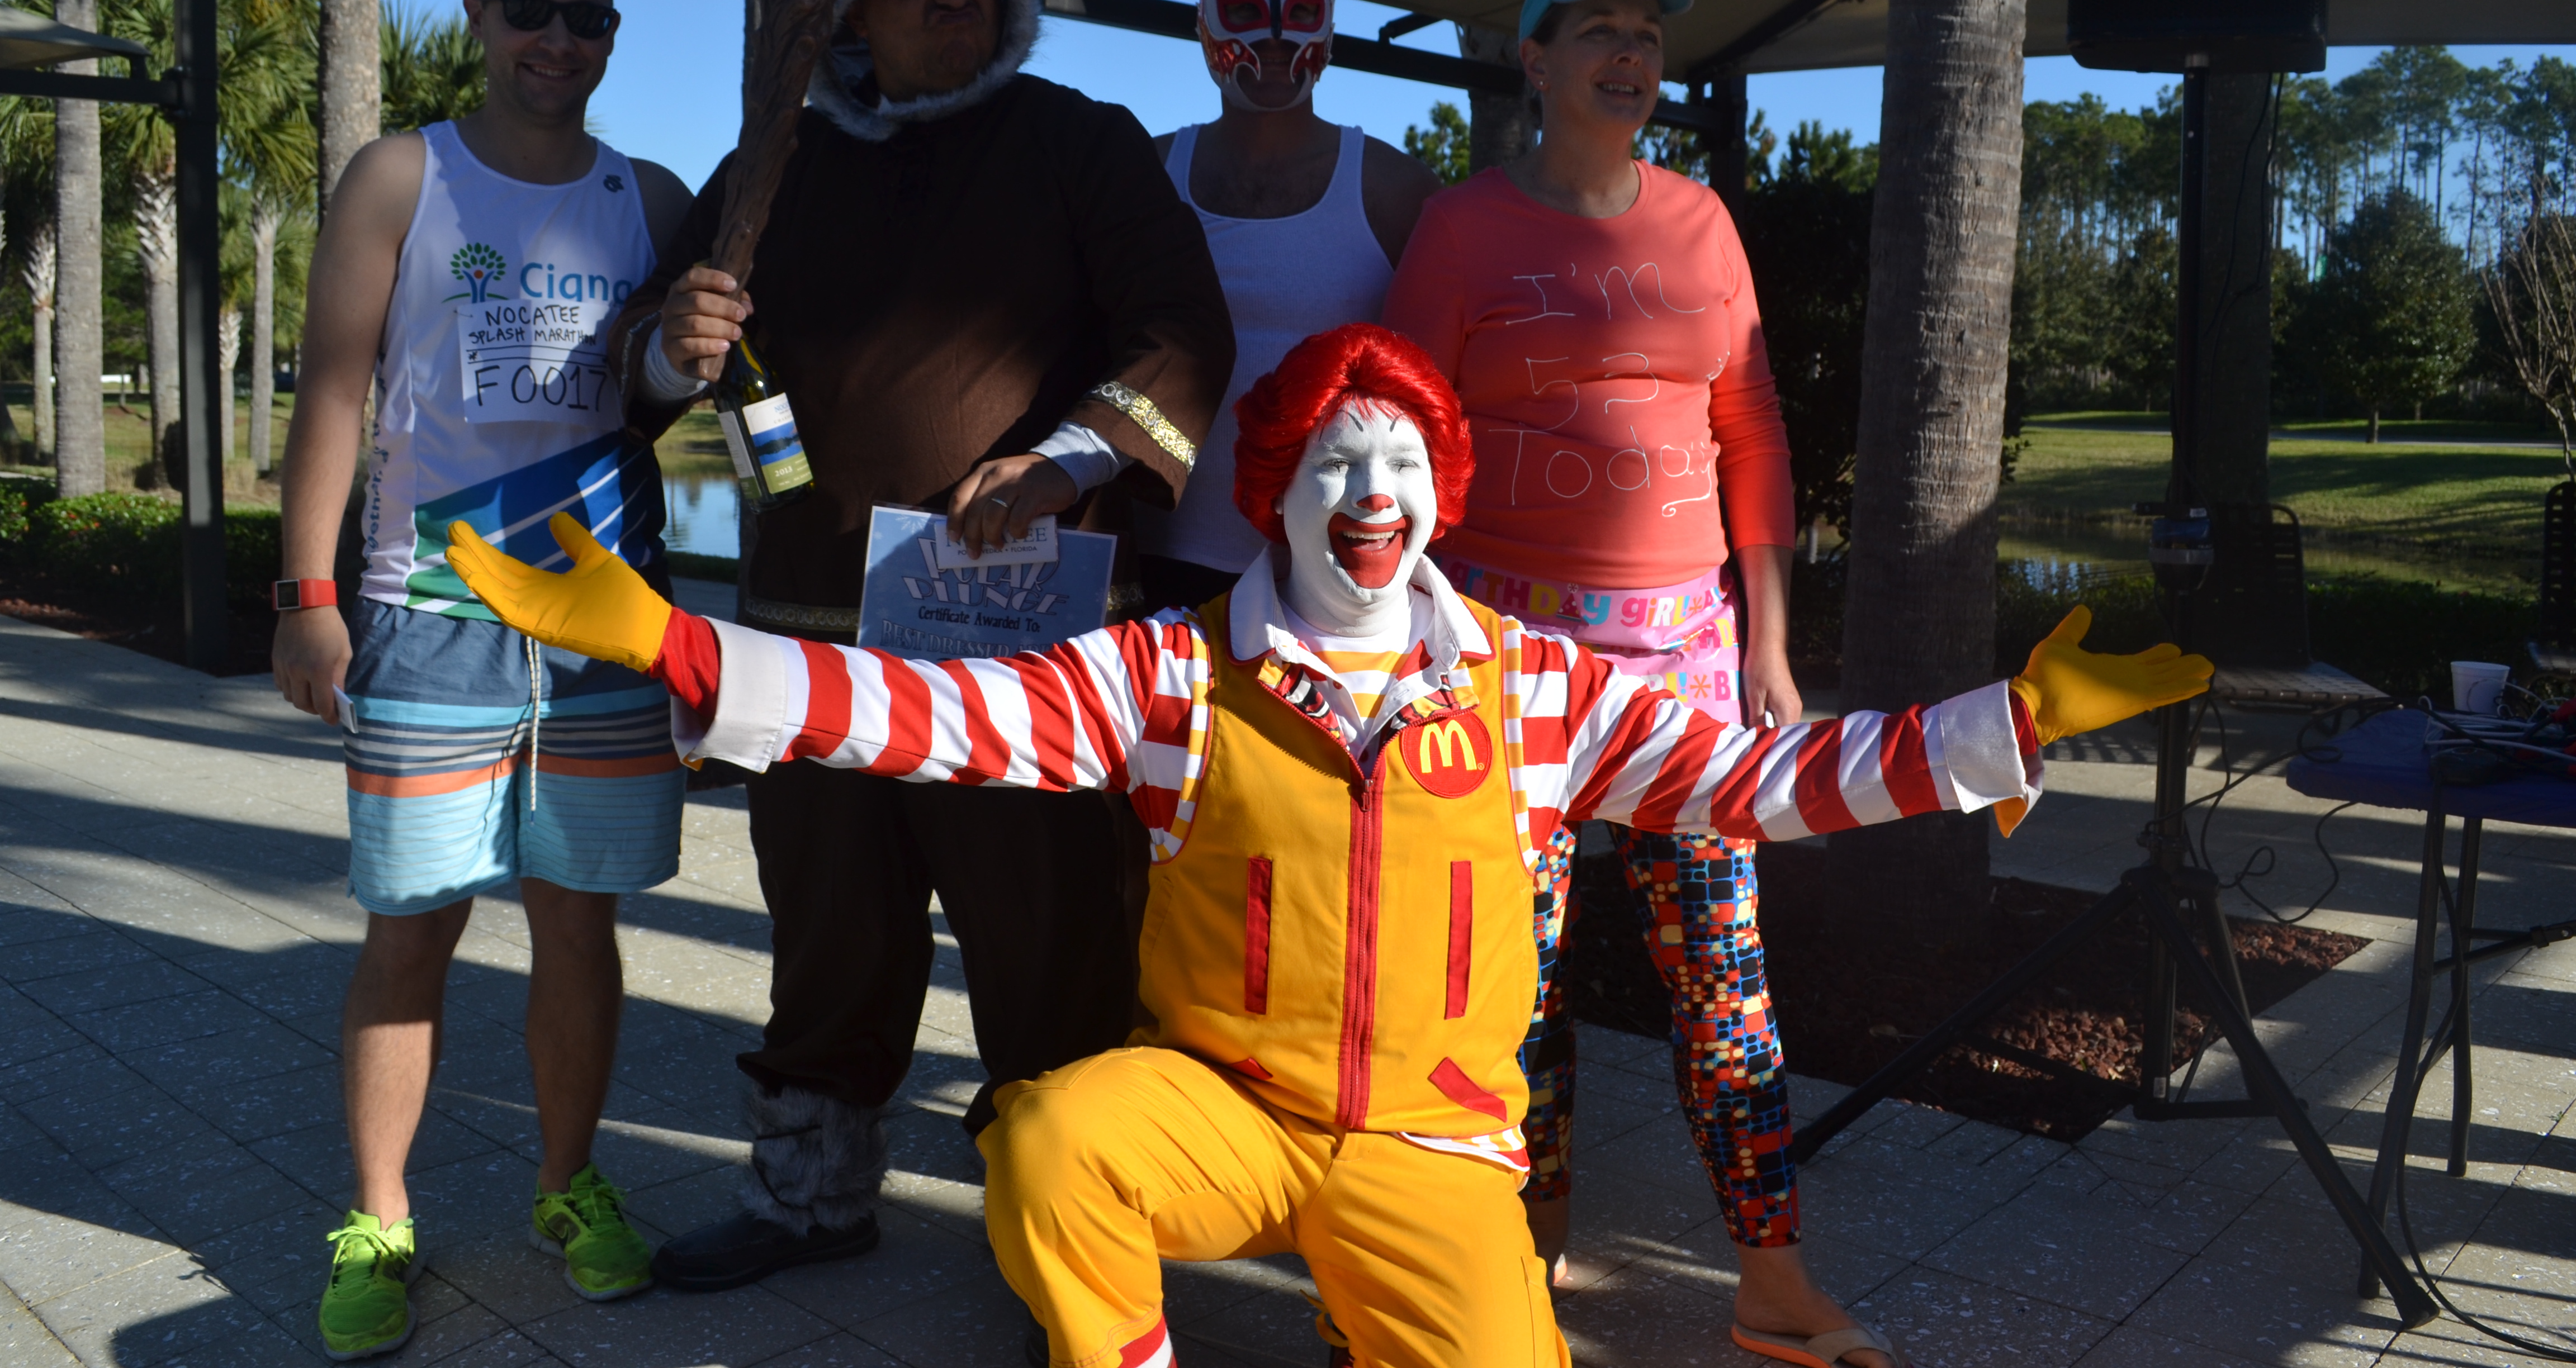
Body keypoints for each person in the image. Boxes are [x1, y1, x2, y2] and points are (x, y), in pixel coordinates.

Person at [443, 321, 2209, 1368]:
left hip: (1438, 1152)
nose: (1371, 503)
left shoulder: (1536, 690)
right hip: (1221, 1111)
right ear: (1280, 487)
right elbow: (939, 717)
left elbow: (1758, 779)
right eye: (1335, 469)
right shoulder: (1171, 671)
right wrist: (685, 644)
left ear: (1439, 492)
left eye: (1402, 470)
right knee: (1051, 1139)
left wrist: (2012, 726)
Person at [606, 0, 1234, 1293]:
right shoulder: (776, 165)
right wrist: (675, 342)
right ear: (849, 14)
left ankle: (1072, 1243)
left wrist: (1066, 463)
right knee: (828, 927)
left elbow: (1182, 329)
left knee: (1051, 948)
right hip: (814, 640)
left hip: (1018, 653)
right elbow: (648, 360)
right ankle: (812, 1191)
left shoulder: (1080, 142)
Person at [1380, 0, 1857, 1364]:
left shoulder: (1704, 224)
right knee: (1505, 990)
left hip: (1686, 668)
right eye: (1600, 29)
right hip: (1504, 666)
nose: (1631, 53)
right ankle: (1517, 1266)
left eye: (1647, 34)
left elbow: (1754, 430)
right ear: (1533, 58)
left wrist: (1772, 639)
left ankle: (1772, 1278)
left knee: (1724, 976)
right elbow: (1399, 433)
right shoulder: (1461, 229)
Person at [271, 0, 697, 1358]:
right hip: (429, 613)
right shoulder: (406, 173)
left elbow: (676, 388)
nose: (558, 42)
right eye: (531, 10)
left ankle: (567, 1186)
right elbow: (334, 390)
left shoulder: (652, 195)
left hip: (596, 628)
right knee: (412, 933)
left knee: (580, 925)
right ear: (479, 13)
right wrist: (307, 593)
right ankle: (378, 1216)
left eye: (589, 20)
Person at [1134, 0, 1442, 611]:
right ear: (1203, 26)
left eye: (1301, 12)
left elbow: (1443, 392)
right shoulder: (1146, 174)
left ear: (1329, 30)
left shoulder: (1396, 192)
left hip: (1336, 569)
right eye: (1245, 10)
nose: (1275, 37)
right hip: (1158, 557)